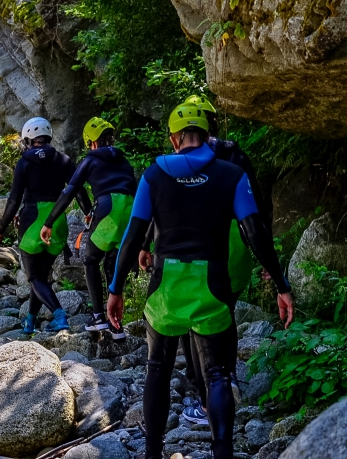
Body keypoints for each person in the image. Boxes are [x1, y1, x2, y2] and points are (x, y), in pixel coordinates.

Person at [105, 103, 294, 459]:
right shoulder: (230, 174)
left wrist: (115, 289)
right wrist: (281, 284)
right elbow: (254, 231)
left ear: (174, 138)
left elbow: (133, 235)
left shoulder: (153, 174)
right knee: (219, 373)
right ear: (208, 136)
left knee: (157, 368)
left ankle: (152, 453)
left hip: (166, 287)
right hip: (213, 283)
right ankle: (222, 452)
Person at [180, 94, 261, 424]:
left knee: (193, 320)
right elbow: (257, 210)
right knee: (224, 314)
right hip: (238, 242)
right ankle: (228, 382)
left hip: (200, 246)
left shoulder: (184, 160)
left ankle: (204, 400)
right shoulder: (235, 154)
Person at [40, 117, 136, 339]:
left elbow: (69, 193)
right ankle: (116, 324)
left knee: (91, 259)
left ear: (92, 142)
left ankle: (99, 317)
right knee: (112, 261)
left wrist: (49, 222)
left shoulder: (90, 160)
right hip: (131, 210)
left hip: (107, 207)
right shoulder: (124, 161)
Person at [0, 117, 79, 334]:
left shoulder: (24, 163)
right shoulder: (63, 160)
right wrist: (89, 214)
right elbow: (77, 189)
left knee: (34, 277)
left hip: (32, 223)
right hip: (57, 222)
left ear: (28, 140)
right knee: (41, 276)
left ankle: (59, 315)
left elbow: (14, 200)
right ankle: (30, 321)